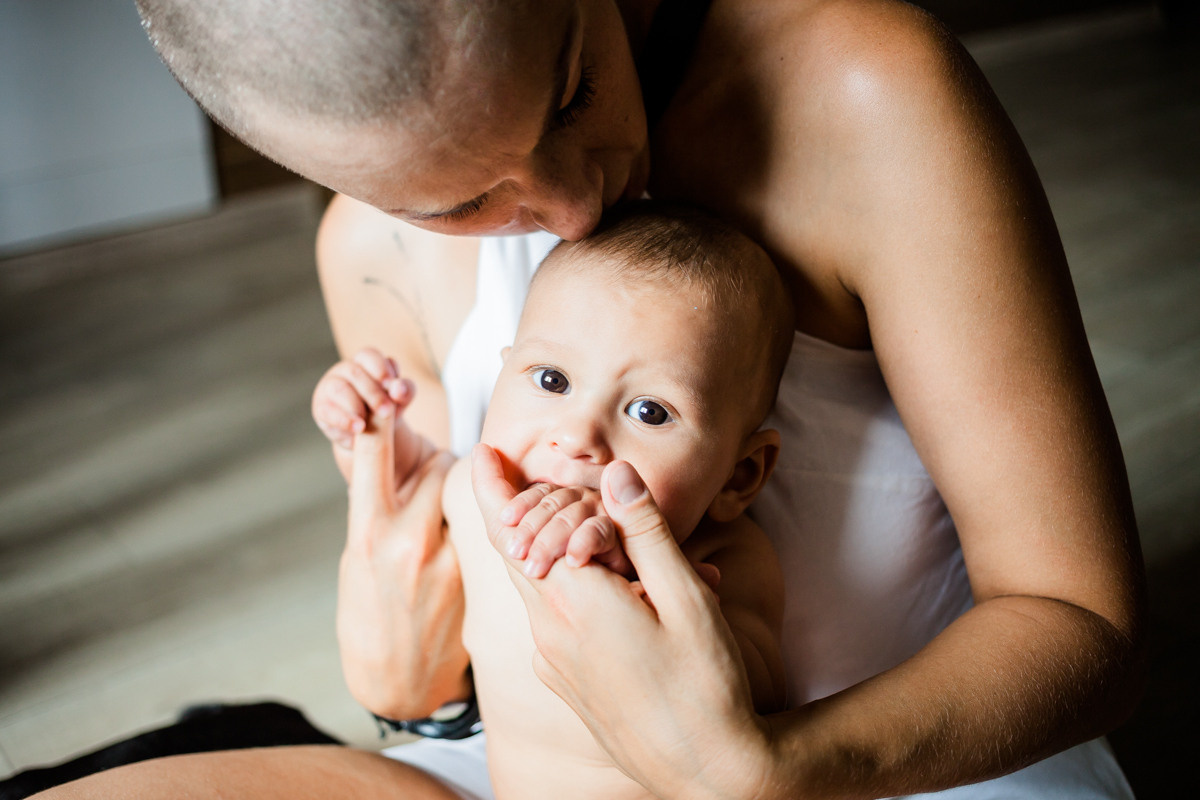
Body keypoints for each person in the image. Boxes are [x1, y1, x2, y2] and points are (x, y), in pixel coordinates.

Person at [36, 0, 1145, 797]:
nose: (575, 207)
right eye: (461, 199)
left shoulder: (867, 89)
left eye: (571, 90)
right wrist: (403, 682)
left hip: (904, 772)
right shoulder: (366, 247)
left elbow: (1091, 629)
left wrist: (773, 768)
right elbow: (468, 667)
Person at [314, 204, 793, 799]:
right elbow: (402, 491)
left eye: (650, 412)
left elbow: (762, 702)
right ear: (501, 378)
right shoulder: (475, 488)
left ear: (738, 477)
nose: (577, 436)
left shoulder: (722, 560)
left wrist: (630, 592)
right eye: (552, 381)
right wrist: (371, 425)